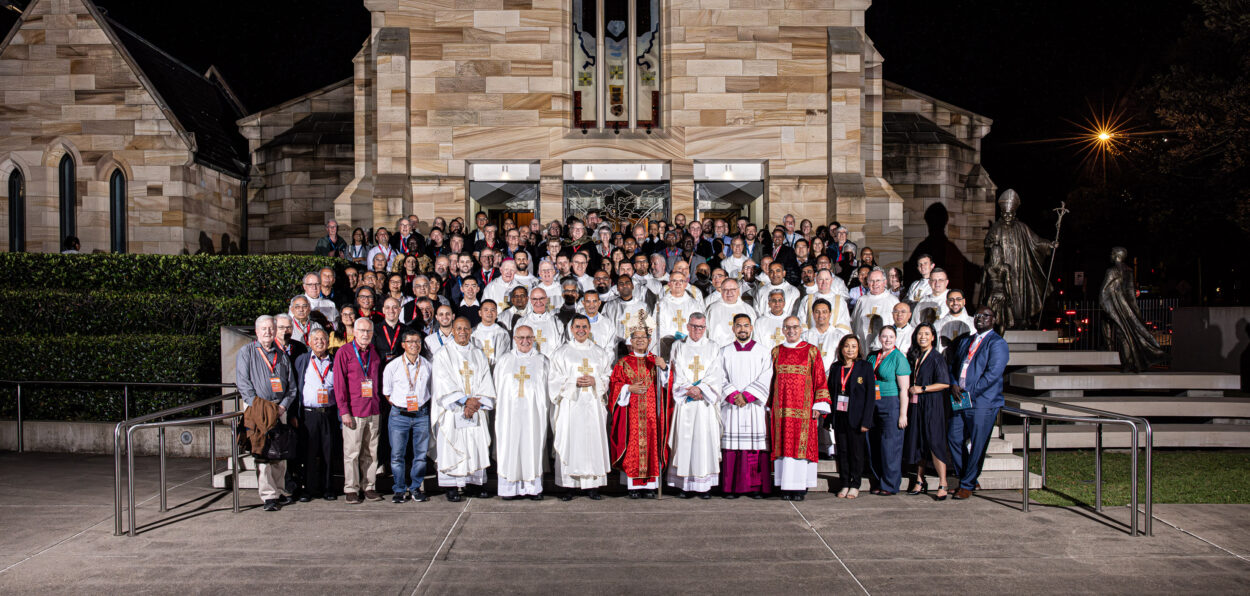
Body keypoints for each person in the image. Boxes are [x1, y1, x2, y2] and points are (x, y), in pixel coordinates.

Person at [548, 314, 614, 500]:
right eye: (577, 326)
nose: (581, 330)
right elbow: (554, 379)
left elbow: (608, 376)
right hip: (571, 405)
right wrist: (572, 382)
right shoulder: (562, 352)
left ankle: (592, 486)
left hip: (592, 404)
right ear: (571, 329)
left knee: (592, 442)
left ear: (589, 329)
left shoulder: (599, 352)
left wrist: (596, 381)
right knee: (571, 441)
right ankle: (569, 485)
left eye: (584, 326)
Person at [766, 316, 832, 501]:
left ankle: (800, 487)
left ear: (801, 328)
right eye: (787, 327)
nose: (791, 330)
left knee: (800, 448)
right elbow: (770, 380)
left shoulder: (811, 351)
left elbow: (819, 378)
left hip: (804, 411)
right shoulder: (776, 352)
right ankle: (785, 487)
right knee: (784, 448)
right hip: (781, 411)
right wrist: (769, 403)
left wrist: (819, 405)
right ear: (783, 330)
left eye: (795, 327)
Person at [236, 315, 298, 511]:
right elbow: (243, 383)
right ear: (256, 331)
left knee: (280, 453)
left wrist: (282, 407)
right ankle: (268, 496)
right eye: (264, 329)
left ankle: (279, 491)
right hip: (259, 410)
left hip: (279, 409)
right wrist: (259, 407)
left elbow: (292, 387)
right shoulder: (247, 352)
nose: (268, 332)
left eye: (271, 329)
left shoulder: (281, 355)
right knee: (262, 454)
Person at [946, 307, 1009, 500]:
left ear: (994, 319)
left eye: (986, 316)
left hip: (983, 401)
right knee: (954, 437)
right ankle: (969, 477)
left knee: (978, 443)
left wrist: (970, 391)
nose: (981, 319)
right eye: (978, 316)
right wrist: (954, 384)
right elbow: (953, 365)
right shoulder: (967, 340)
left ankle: (966, 484)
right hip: (961, 398)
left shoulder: (997, 343)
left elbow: (993, 374)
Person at [430, 317, 496, 501]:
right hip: (453, 409)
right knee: (453, 446)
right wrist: (465, 401)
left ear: (471, 331)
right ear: (452, 330)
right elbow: (443, 382)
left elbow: (485, 380)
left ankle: (474, 483)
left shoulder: (478, 353)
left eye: (466, 329)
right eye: (458, 328)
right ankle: (451, 485)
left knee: (474, 445)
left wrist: (476, 402)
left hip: (475, 409)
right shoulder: (443, 354)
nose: (463, 332)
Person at [665, 314, 726, 499]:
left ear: (705, 327)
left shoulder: (713, 346)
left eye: (700, 327)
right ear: (687, 326)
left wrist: (701, 389)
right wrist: (688, 389)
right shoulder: (678, 346)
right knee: (684, 442)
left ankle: (704, 486)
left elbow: (717, 372)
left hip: (705, 404)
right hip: (686, 403)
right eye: (693, 326)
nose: (697, 330)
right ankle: (684, 485)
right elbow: (675, 372)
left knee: (704, 442)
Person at [607, 325, 670, 498]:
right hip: (631, 414)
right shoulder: (622, 363)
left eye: (644, 337)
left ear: (650, 341)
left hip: (652, 414)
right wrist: (628, 387)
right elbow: (614, 386)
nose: (640, 340)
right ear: (631, 341)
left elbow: (667, 385)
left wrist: (664, 369)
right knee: (633, 445)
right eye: (636, 337)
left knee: (652, 446)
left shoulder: (656, 360)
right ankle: (633, 487)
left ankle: (650, 486)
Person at [718, 314, 773, 498]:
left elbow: (767, 377)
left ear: (752, 328)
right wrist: (734, 395)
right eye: (739, 326)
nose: (742, 329)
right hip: (732, 407)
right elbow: (719, 375)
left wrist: (748, 396)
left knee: (753, 448)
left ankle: (755, 487)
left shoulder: (763, 352)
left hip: (753, 407)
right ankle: (730, 487)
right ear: (733, 329)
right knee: (732, 448)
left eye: (746, 325)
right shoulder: (724, 351)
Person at [493, 326, 550, 500]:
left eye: (528, 337)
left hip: (534, 414)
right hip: (509, 414)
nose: (525, 341)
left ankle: (533, 488)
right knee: (509, 446)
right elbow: (496, 387)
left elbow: (549, 388)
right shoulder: (504, 361)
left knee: (532, 445)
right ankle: (509, 489)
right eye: (521, 338)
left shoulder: (543, 361)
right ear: (514, 339)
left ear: (534, 339)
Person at [333, 317, 385, 504]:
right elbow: (339, 385)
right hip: (354, 411)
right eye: (362, 331)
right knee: (352, 452)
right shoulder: (344, 352)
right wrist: (344, 411)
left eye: (368, 331)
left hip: (373, 408)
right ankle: (351, 488)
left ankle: (369, 486)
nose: (365, 335)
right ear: (354, 332)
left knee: (371, 452)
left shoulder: (374, 352)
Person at [381, 330, 432, 503]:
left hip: (421, 415)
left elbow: (431, 390)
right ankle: (399, 489)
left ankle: (416, 487)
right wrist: (401, 406)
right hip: (399, 415)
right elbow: (387, 393)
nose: (414, 345)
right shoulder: (393, 366)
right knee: (397, 455)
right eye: (410, 341)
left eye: (417, 341)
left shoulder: (427, 365)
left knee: (420, 455)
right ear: (403, 344)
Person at [903, 324, 952, 499]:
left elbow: (945, 383)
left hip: (932, 404)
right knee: (919, 442)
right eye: (919, 334)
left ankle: (943, 482)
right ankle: (919, 479)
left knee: (934, 442)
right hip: (916, 405)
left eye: (926, 334)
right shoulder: (914, 356)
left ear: (933, 337)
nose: (922, 337)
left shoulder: (936, 358)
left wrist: (922, 389)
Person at [1100, 247, 1166, 372]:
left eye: (1112, 253)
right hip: (1128, 307)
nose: (1110, 255)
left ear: (1116, 255)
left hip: (1118, 307)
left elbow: (1104, 291)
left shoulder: (1112, 271)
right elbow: (1130, 293)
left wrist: (1105, 307)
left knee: (1123, 336)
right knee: (1130, 334)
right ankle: (1134, 362)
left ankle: (1129, 362)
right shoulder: (1129, 270)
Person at [292, 328, 339, 501]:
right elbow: (295, 387)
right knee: (309, 453)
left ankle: (328, 487)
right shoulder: (302, 360)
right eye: (316, 339)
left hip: (328, 413)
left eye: (323, 339)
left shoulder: (334, 361)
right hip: (308, 414)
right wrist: (294, 414)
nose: (320, 342)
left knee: (328, 452)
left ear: (328, 342)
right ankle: (308, 489)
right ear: (309, 343)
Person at [866, 325, 911, 496]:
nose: (887, 340)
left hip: (891, 402)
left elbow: (904, 389)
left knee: (890, 445)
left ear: (895, 338)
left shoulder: (899, 357)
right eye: (884, 336)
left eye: (891, 336)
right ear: (879, 337)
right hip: (873, 402)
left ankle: (890, 484)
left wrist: (903, 414)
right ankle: (879, 479)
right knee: (874, 443)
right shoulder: (873, 356)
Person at [827, 335, 874, 498]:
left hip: (858, 418)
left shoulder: (865, 367)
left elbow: (870, 397)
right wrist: (828, 418)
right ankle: (845, 483)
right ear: (841, 348)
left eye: (854, 346)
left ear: (858, 349)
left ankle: (856, 483)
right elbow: (830, 394)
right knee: (843, 451)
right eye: (847, 346)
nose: (850, 350)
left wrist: (867, 420)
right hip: (840, 416)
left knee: (856, 452)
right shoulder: (835, 368)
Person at [652, 270, 704, 359]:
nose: (678, 284)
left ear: (685, 284)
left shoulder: (694, 304)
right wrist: (673, 341)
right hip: (667, 347)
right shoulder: (661, 304)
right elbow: (656, 327)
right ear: (669, 284)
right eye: (674, 281)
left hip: (689, 347)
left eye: (681, 281)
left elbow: (699, 326)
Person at [851, 269, 900, 356]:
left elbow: (898, 327)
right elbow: (854, 323)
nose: (875, 284)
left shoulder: (893, 301)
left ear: (884, 282)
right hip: (863, 346)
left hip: (885, 349)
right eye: (871, 281)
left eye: (878, 281)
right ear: (868, 283)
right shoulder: (862, 300)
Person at [705, 279, 755, 348]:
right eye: (725, 290)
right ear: (721, 291)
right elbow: (705, 333)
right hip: (719, 353)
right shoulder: (712, 309)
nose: (729, 293)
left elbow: (754, 335)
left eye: (733, 289)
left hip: (743, 352)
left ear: (738, 291)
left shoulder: (748, 309)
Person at [515, 287, 563, 354]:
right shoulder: (521, 322)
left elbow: (560, 349)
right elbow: (516, 347)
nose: (538, 302)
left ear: (546, 299)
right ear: (530, 300)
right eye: (534, 299)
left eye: (541, 298)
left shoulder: (556, 323)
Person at [471, 299, 511, 368]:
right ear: (480, 313)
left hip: (497, 369)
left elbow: (505, 356)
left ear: (496, 313)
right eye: (486, 310)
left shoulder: (503, 333)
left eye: (492, 310)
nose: (489, 313)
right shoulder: (472, 333)